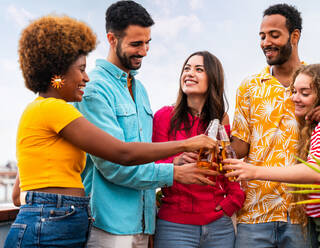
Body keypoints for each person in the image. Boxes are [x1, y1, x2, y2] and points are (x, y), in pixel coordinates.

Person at [5, 15, 217, 248]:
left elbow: (18, 193)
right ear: (58, 74)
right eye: (81, 70)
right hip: (61, 223)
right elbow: (121, 153)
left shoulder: (48, 110)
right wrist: (187, 145)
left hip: (66, 219)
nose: (86, 78)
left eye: (148, 43)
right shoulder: (58, 109)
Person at [73, 1, 218, 247]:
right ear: (112, 39)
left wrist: (174, 162)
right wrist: (175, 173)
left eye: (148, 42)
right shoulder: (94, 88)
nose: (144, 51)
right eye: (136, 44)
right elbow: (114, 165)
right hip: (108, 225)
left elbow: (144, 154)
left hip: (142, 224)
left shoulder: (139, 89)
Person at [229, 3, 320, 248]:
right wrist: (209, 138)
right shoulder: (249, 86)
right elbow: (240, 146)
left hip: (302, 215)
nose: (266, 42)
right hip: (256, 211)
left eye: (274, 35)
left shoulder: (318, 82)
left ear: (294, 36)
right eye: (262, 36)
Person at [152, 51, 245, 248]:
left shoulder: (222, 120)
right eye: (187, 68)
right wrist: (176, 161)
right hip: (174, 226)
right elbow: (151, 165)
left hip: (219, 227)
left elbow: (229, 166)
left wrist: (232, 202)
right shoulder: (164, 116)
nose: (190, 73)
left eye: (199, 69)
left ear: (213, 78)